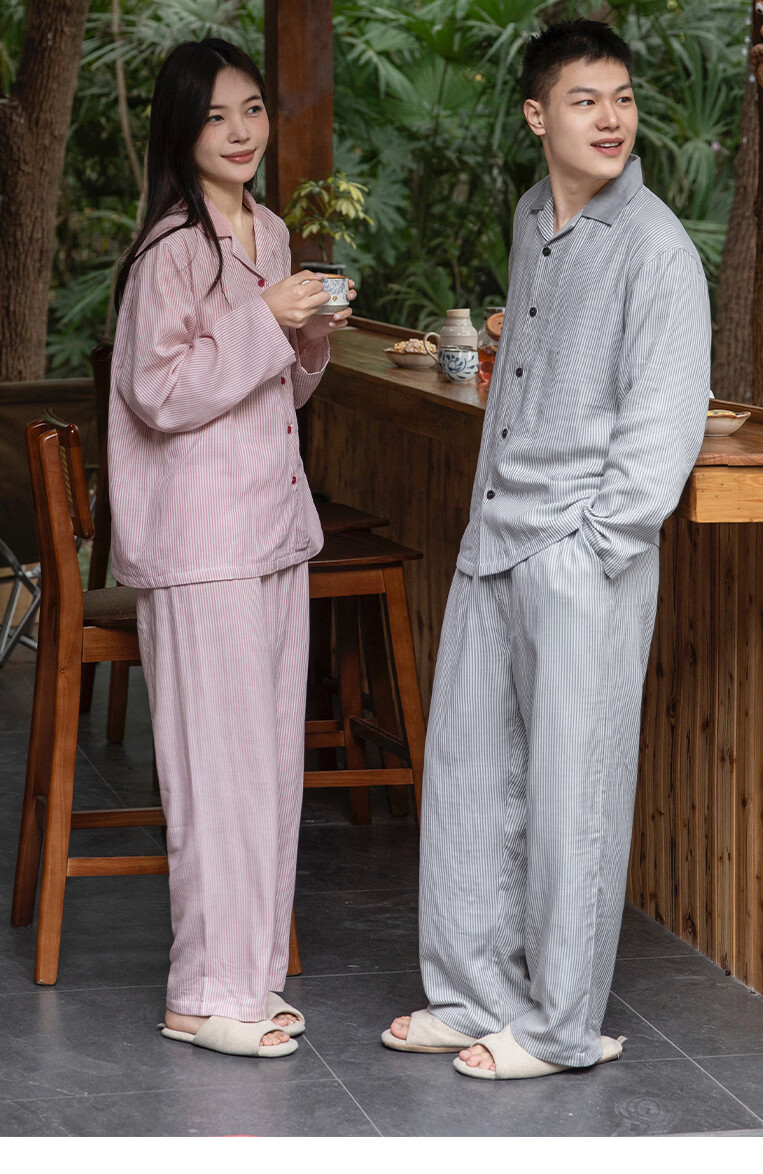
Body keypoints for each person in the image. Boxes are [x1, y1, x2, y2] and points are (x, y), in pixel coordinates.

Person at [383, 19, 711, 1079]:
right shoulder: (534, 215)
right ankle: (473, 994)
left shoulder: (656, 247)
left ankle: (562, 1027)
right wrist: (489, 517)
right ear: (537, 115)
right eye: (585, 99)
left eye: (623, 98)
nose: (611, 118)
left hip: (579, 552)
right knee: (471, 778)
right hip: (495, 534)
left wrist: (593, 547)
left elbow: (660, 429)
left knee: (574, 798)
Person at [109, 38, 354, 1059]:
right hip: (201, 539)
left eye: (252, 108)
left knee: (266, 768)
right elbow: (158, 393)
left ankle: (247, 982)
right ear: (182, 130)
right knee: (215, 773)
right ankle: (200, 994)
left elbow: (280, 385)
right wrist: (264, 315)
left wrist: (310, 330)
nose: (243, 130)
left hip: (271, 528)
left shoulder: (273, 229)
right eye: (217, 115)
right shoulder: (171, 248)